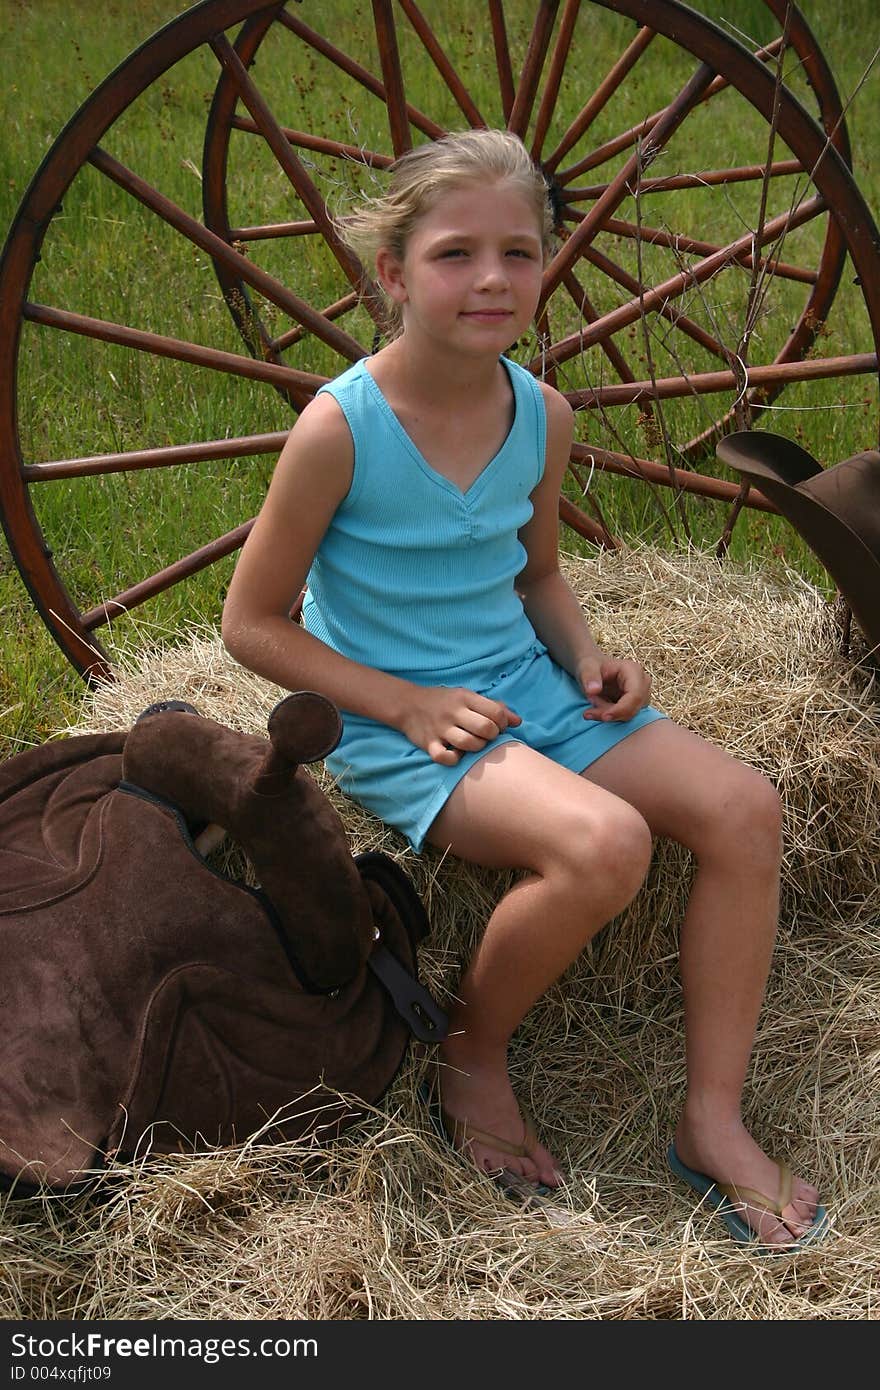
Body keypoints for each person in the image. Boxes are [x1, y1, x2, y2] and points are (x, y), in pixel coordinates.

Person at [222, 129, 825, 1247]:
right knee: (603, 847)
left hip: (520, 683)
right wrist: (400, 703)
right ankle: (471, 1051)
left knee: (746, 806)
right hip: (397, 716)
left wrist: (587, 654)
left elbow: (537, 573)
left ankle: (710, 1117)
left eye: (520, 251)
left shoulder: (539, 415)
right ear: (392, 275)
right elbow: (250, 624)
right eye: (455, 254)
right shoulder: (339, 430)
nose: (492, 279)